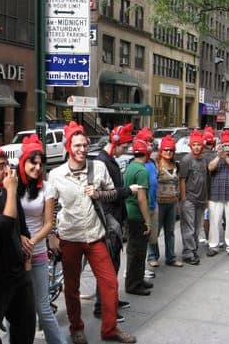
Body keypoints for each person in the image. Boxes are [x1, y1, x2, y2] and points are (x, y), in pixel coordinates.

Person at [48, 121, 136, 344]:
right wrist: (52, 235)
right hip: (70, 238)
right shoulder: (57, 174)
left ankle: (110, 329)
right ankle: (76, 328)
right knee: (72, 288)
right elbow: (52, 206)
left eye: (85, 145)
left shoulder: (98, 167)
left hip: (96, 236)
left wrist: (98, 194)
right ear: (68, 146)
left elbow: (113, 194)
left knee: (110, 283)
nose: (82, 149)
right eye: (77, 145)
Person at [0, 136, 36, 344]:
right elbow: (2, 227)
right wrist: (11, 190)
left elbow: (21, 225)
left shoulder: (7, 192)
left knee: (25, 327)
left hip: (19, 274)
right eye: (1, 166)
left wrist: (26, 258)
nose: (7, 171)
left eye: (7, 165)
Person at [16, 134, 66, 344]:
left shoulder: (46, 188)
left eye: (40, 163)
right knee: (15, 310)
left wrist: (33, 241)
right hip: (15, 255)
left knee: (43, 308)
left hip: (37, 253)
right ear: (23, 162)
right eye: (32, 162)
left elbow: (48, 223)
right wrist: (19, 238)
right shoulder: (11, 185)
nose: (37, 167)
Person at [94, 123, 136, 321]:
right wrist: (128, 190)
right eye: (125, 147)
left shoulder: (108, 160)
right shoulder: (102, 162)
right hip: (108, 219)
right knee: (108, 267)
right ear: (116, 143)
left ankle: (110, 300)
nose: (126, 151)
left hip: (114, 218)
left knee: (113, 264)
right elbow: (103, 194)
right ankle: (103, 307)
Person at [206, 130, 229, 259]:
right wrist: (219, 156)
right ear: (221, 144)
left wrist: (226, 157)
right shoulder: (214, 155)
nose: (227, 147)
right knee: (214, 221)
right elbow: (210, 168)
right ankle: (213, 246)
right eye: (225, 144)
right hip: (216, 194)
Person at [124, 136, 153, 295]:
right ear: (146, 153)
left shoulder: (130, 166)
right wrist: (148, 221)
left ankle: (138, 279)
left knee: (135, 250)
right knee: (138, 251)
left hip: (129, 212)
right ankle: (134, 284)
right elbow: (142, 198)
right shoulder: (142, 171)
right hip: (136, 215)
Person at [148, 135, 182, 267]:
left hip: (172, 203)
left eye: (171, 150)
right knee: (155, 232)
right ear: (161, 151)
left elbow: (178, 184)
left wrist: (178, 202)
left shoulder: (176, 165)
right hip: (158, 204)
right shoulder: (155, 165)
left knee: (170, 232)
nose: (168, 152)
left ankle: (171, 258)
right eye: (166, 150)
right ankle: (152, 256)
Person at [179, 130, 209, 265]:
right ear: (191, 146)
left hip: (201, 199)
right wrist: (184, 198)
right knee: (188, 227)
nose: (196, 147)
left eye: (199, 145)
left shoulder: (204, 160)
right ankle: (188, 252)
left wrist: (207, 199)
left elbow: (206, 180)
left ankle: (194, 248)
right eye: (194, 145)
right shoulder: (186, 160)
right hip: (189, 199)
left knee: (197, 227)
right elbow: (182, 180)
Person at [135, 127, 158, 279]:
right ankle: (136, 270)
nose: (151, 144)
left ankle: (142, 267)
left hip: (152, 205)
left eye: (151, 141)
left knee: (151, 239)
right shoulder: (138, 164)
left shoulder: (152, 162)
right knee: (139, 243)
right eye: (148, 141)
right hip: (142, 208)